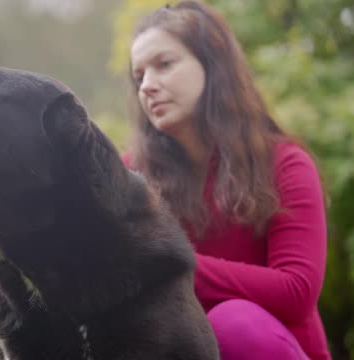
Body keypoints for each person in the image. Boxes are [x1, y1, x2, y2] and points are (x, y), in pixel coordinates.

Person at [121, 1, 331, 359]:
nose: (147, 87)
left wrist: (167, 261)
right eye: (139, 76)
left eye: (164, 65)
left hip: (267, 346)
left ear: (211, 64)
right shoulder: (131, 178)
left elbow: (296, 291)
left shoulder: (284, 163)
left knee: (232, 322)